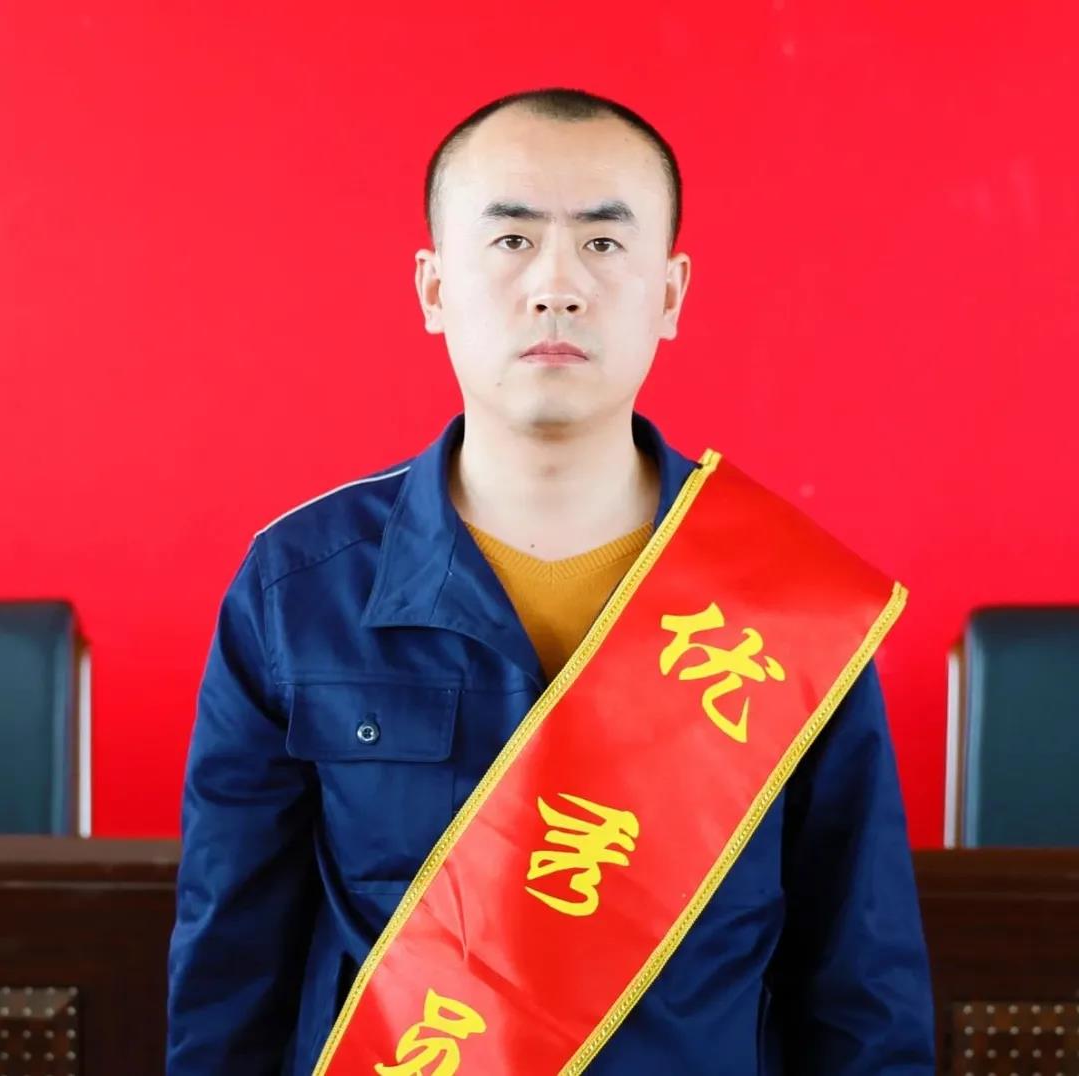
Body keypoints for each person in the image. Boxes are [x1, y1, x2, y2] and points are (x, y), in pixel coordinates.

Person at [166, 87, 935, 1074]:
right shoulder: (298, 590)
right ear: (433, 287)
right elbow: (232, 966)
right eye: (512, 240)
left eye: (604, 243)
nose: (557, 285)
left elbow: (861, 980)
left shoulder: (781, 602)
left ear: (671, 294)